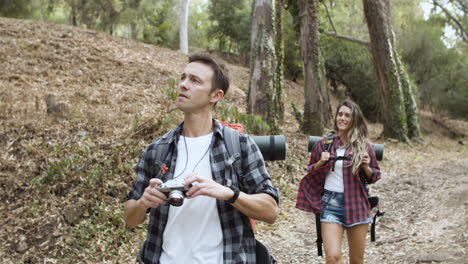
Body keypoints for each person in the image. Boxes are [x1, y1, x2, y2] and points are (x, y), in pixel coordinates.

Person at [124, 53, 280, 264]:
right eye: (183, 78)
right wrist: (144, 202)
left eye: (195, 80)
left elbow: (270, 211)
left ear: (215, 95)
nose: (183, 85)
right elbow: (130, 219)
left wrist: (228, 193)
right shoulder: (157, 150)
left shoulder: (239, 146)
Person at [296, 100, 381, 264]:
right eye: (340, 114)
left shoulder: (364, 146)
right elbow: (310, 171)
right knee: (333, 257)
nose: (342, 118)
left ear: (354, 119)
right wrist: (320, 163)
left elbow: (374, 176)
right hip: (331, 204)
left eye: (347, 115)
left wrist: (366, 166)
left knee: (356, 260)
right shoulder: (323, 144)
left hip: (357, 203)